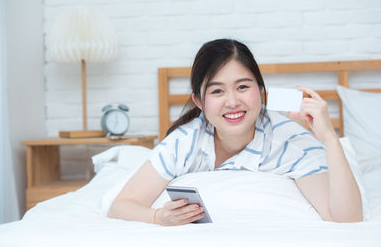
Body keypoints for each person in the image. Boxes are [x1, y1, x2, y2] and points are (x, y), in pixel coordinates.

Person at [107, 39, 363, 225]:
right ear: (198, 101)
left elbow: (347, 218)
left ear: (261, 91)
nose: (232, 102)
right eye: (217, 91)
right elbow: (121, 206)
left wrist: (330, 138)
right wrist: (157, 217)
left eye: (242, 87)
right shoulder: (185, 141)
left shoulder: (289, 141)